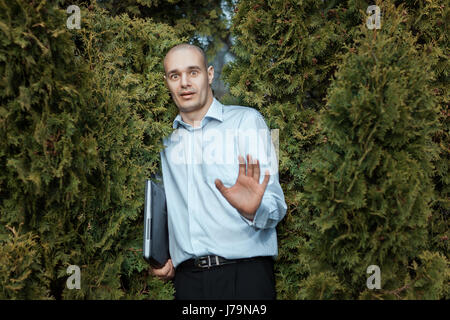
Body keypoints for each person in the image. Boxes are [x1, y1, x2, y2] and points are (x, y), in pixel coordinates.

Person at [150, 43, 287, 300]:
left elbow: (277, 205)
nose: (184, 83)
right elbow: (162, 208)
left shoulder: (248, 121)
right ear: (167, 82)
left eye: (193, 72)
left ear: (210, 74)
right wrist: (159, 255)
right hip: (188, 283)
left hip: (245, 278)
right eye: (175, 75)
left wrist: (252, 210)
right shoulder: (164, 142)